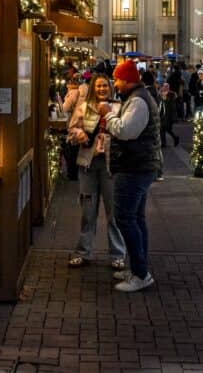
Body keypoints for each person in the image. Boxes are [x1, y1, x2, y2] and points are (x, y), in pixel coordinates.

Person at [105, 59, 162, 293]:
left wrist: (108, 116)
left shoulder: (138, 101)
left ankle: (141, 274)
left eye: (117, 79)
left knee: (126, 218)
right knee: (136, 219)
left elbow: (126, 131)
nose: (115, 83)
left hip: (134, 167)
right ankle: (138, 268)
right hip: (138, 166)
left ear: (127, 80)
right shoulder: (137, 98)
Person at [65, 73, 127, 271]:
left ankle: (118, 254)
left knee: (114, 213)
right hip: (88, 165)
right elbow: (71, 130)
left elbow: (124, 132)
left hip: (111, 167)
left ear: (110, 88)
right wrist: (78, 134)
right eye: (98, 86)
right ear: (92, 88)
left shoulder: (118, 108)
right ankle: (84, 251)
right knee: (88, 211)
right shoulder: (84, 107)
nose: (101, 89)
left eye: (105, 86)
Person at [158, 83, 180, 148]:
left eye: (166, 87)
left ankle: (174, 138)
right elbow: (160, 104)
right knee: (163, 129)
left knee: (166, 129)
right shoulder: (161, 94)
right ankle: (164, 143)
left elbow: (172, 106)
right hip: (163, 115)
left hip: (169, 115)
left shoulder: (171, 94)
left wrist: (165, 99)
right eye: (164, 86)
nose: (165, 88)